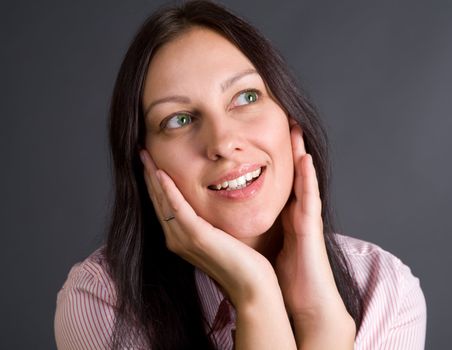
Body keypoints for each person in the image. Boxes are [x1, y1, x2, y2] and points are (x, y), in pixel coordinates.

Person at [54, 1, 426, 349]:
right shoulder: (102, 300)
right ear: (146, 163)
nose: (223, 141)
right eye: (179, 120)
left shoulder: (383, 290)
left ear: (289, 115)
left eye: (246, 97)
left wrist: (320, 318)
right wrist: (256, 295)